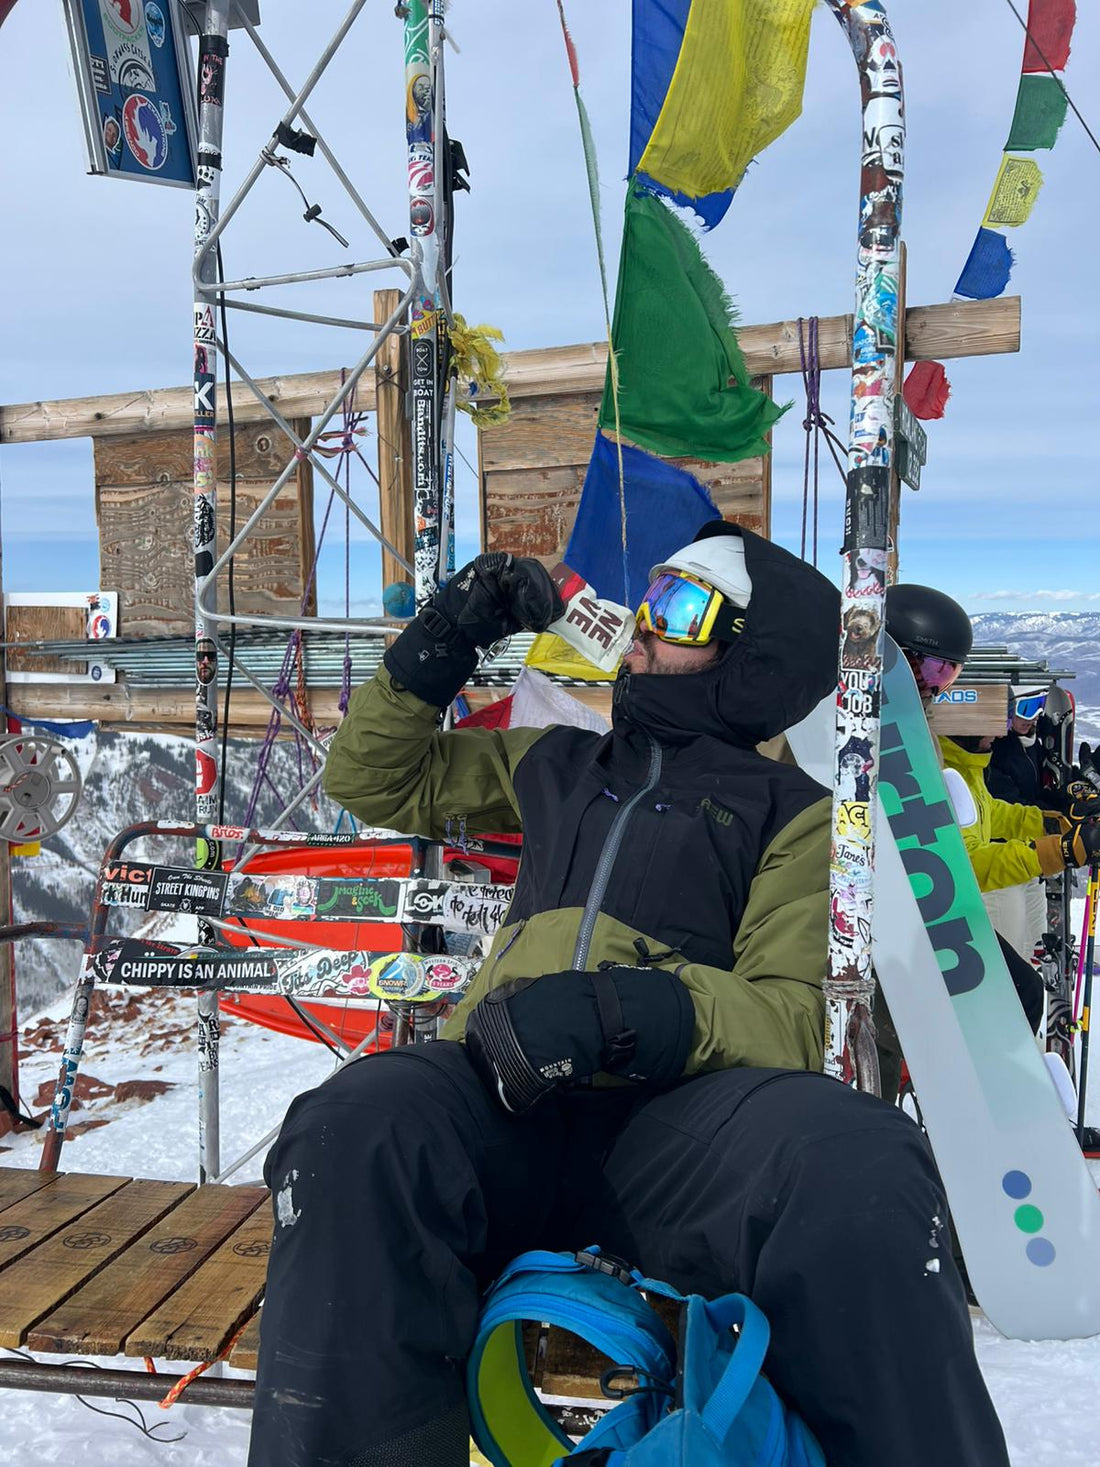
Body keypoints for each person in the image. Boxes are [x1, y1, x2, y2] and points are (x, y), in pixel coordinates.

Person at [248, 527, 1010, 1467]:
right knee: (354, 1122)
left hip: (667, 1139)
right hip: (505, 1101)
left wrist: (625, 1010)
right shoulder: (557, 763)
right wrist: (450, 631)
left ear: (752, 656)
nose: (642, 629)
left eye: (681, 609)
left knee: (859, 1156)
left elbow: (784, 1016)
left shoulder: (796, 813)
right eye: (648, 598)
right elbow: (370, 776)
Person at [884, 587, 1100, 1029]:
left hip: (943, 899)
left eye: (948, 674)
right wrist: (1060, 850)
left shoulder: (936, 750)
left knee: (1021, 985)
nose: (933, 684)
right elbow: (961, 861)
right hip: (935, 908)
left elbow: (992, 814)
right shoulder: (912, 749)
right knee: (1015, 989)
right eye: (930, 668)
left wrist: (1052, 819)